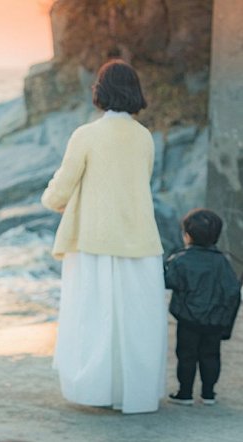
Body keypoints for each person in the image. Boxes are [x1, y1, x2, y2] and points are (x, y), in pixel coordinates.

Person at [41, 59, 166, 413]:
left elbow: (61, 188)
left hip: (94, 242)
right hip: (140, 242)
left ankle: (97, 392)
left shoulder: (86, 135)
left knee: (94, 321)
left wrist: (51, 200)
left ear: (100, 91)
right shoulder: (144, 137)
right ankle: (134, 394)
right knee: (136, 323)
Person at [164, 209, 241, 406]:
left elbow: (168, 280)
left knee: (186, 356)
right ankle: (208, 394)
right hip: (214, 322)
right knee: (211, 356)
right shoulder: (224, 261)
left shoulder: (180, 260)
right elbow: (232, 290)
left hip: (188, 319)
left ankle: (185, 393)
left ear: (187, 236)